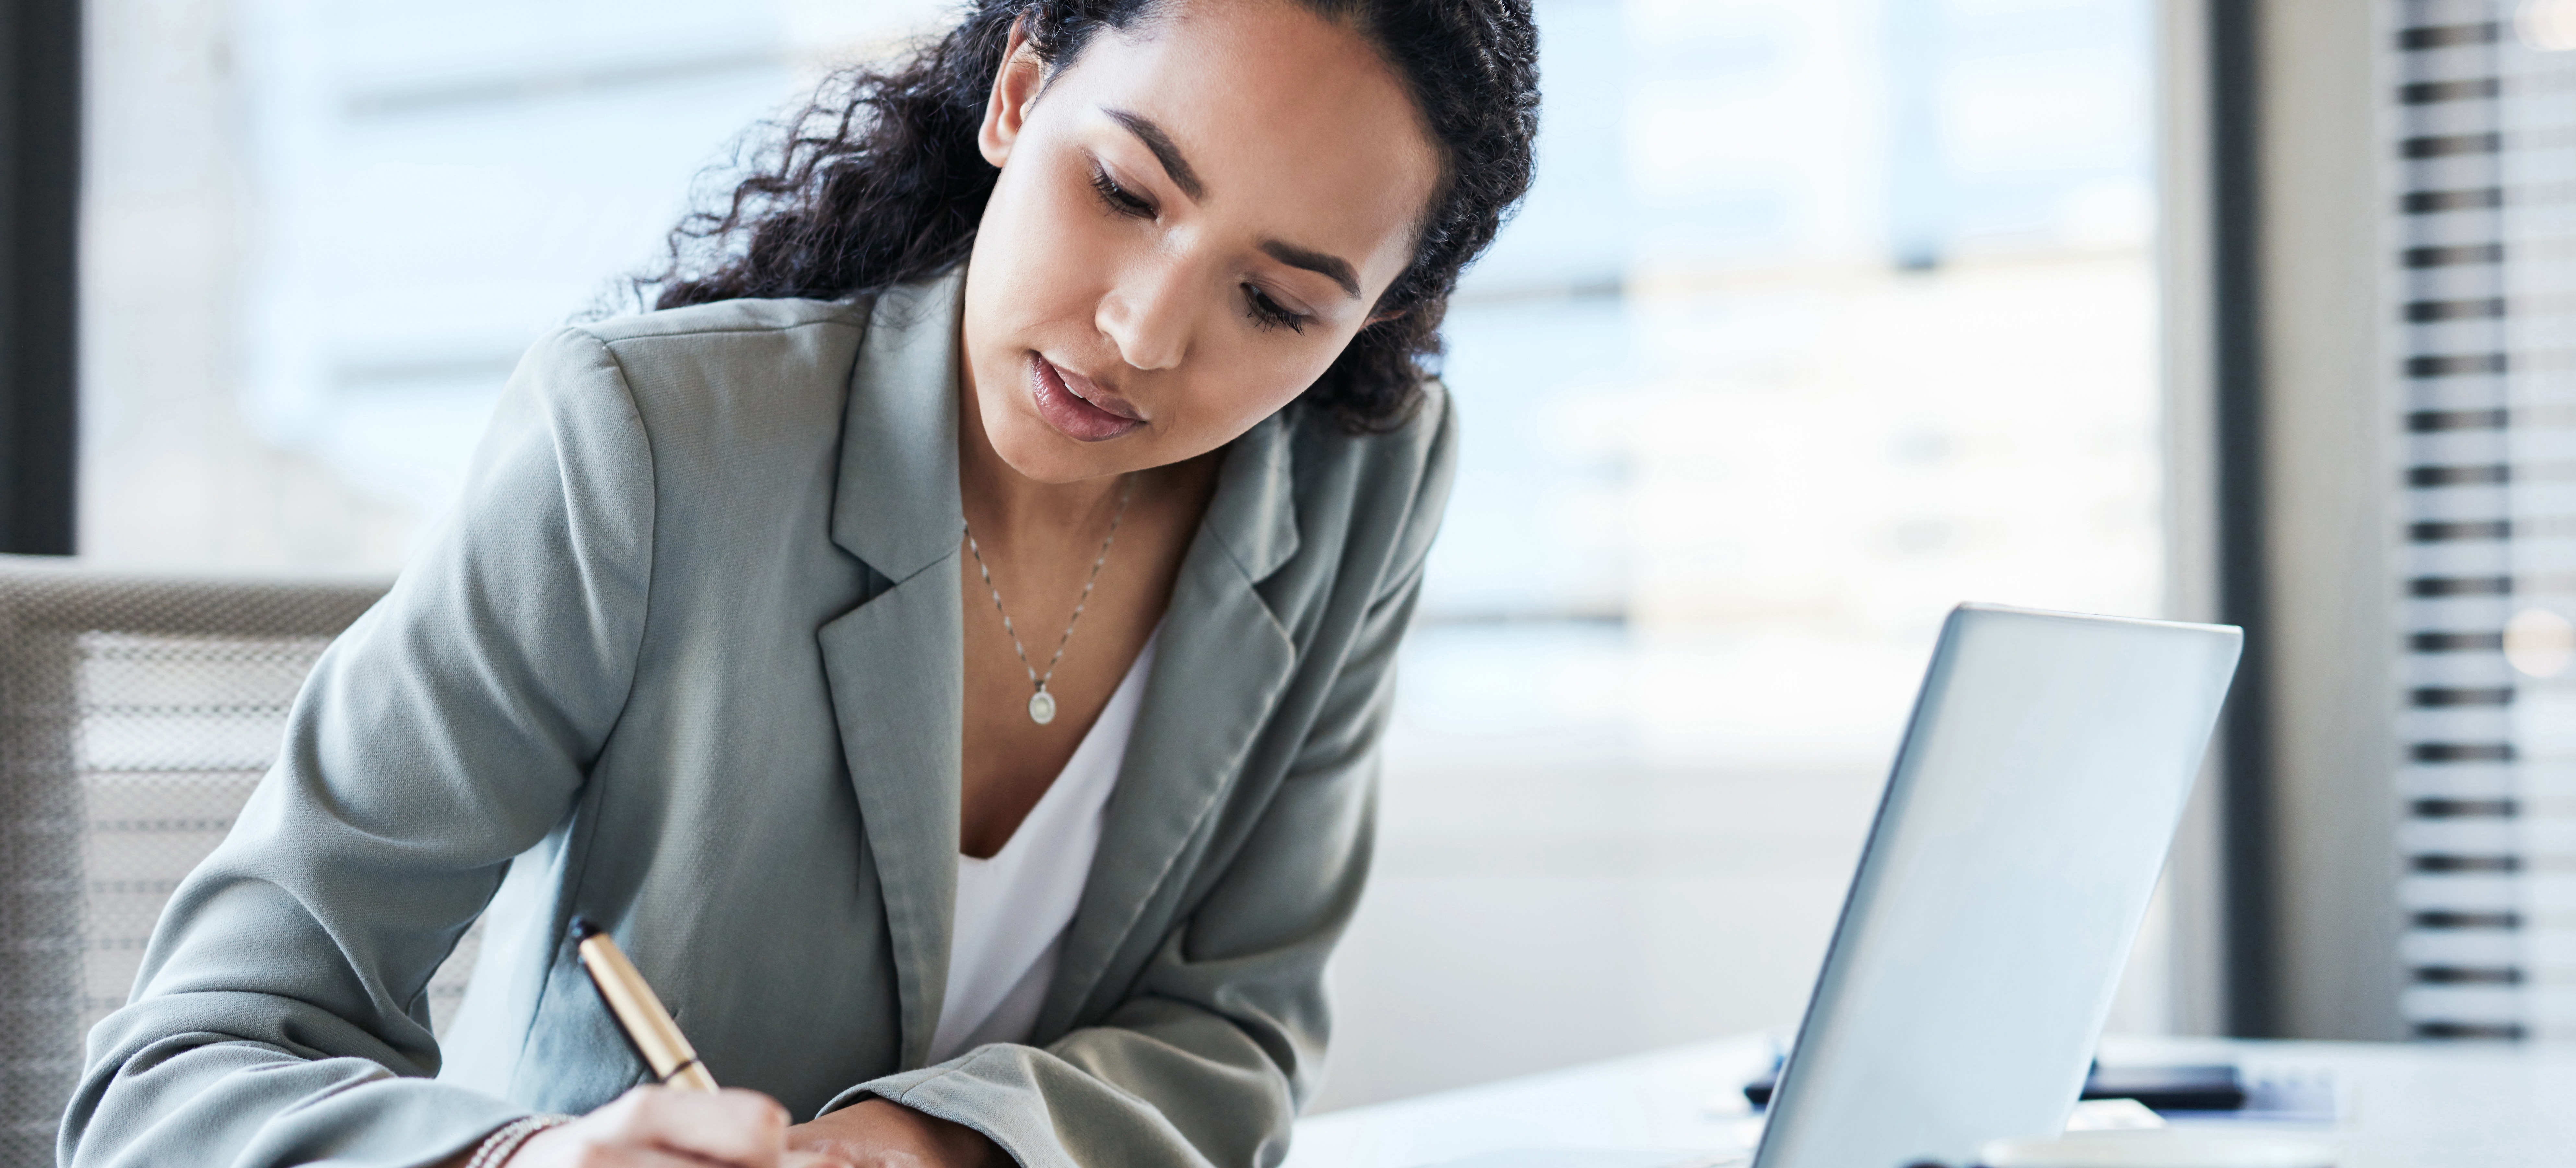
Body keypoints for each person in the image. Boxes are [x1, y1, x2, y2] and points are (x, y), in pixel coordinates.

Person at [60, 0, 1537, 1165]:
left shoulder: (1361, 485)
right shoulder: (647, 448)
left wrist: (924, 1146)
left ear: (1381, 312)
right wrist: (524, 1161)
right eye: (1122, 189)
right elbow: (178, 1076)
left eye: (1277, 302)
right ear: (1019, 91)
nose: (1143, 335)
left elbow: (1236, 1028)